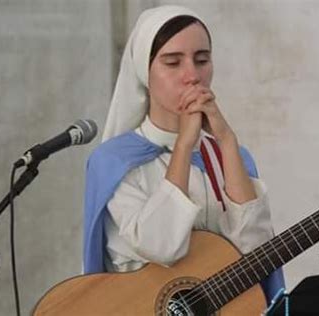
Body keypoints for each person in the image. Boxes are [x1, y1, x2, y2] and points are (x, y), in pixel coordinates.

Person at [83, 4, 284, 309]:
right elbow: (160, 246)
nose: (192, 76)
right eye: (173, 62)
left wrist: (227, 142)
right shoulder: (113, 162)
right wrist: (183, 145)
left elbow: (257, 255)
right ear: (144, 72)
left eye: (202, 60)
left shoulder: (231, 157)